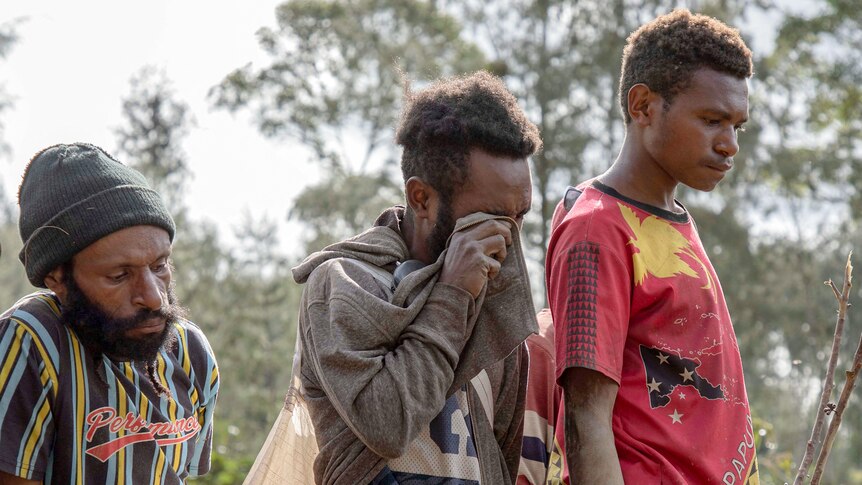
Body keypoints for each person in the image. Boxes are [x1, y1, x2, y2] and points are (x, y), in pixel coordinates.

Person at [291, 71, 542, 484]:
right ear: (421, 199)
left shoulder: (494, 307)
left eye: (520, 217)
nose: (508, 238)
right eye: (494, 217)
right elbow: (388, 425)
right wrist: (451, 294)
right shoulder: (344, 286)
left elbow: (499, 455)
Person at [546, 9, 759, 485]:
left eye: (736, 126)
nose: (730, 145)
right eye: (711, 120)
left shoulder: (673, 220)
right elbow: (586, 417)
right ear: (642, 106)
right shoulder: (596, 228)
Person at [0, 143, 219, 484]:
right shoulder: (34, 342)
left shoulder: (191, 352)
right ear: (57, 279)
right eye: (119, 275)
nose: (153, 297)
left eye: (160, 266)